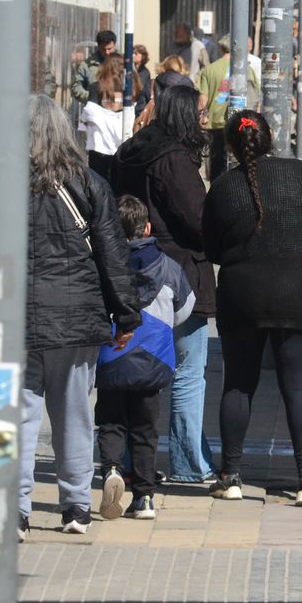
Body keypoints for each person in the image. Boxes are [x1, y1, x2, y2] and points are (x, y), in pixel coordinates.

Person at [204, 111, 302, 506]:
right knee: (298, 386)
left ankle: (230, 476)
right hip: (298, 291)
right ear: (272, 137)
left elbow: (211, 247)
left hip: (240, 295)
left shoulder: (222, 187)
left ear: (230, 147)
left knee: (238, 384)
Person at [22, 94, 140, 539]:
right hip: (76, 319)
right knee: (73, 414)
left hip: (15, 319)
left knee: (20, 417)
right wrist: (126, 315)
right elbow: (113, 255)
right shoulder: (89, 184)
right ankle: (75, 505)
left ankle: (17, 510)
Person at [110, 85, 216, 485]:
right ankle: (190, 463)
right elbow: (198, 217)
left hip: (130, 268)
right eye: (201, 113)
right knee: (189, 370)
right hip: (179, 272)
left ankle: (119, 460)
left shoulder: (132, 150)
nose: (205, 120)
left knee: (131, 370)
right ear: (185, 116)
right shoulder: (173, 160)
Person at [96, 196, 195, 521]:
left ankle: (112, 468)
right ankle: (144, 498)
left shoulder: (104, 261)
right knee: (145, 430)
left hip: (113, 355)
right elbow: (185, 308)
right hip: (154, 362)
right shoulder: (168, 266)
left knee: (111, 421)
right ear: (148, 227)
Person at [197, 45, 263, 180]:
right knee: (238, 159)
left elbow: (203, 100)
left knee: (216, 163)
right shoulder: (246, 70)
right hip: (240, 122)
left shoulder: (209, 69)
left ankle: (217, 191)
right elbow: (256, 96)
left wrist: (202, 118)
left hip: (215, 123)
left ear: (221, 49)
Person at [79, 54, 129, 178]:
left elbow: (90, 113)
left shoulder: (96, 87)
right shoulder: (128, 89)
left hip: (99, 146)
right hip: (123, 145)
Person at [72, 30, 117, 105]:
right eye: (103, 49)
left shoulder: (123, 62)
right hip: (96, 108)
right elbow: (76, 87)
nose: (106, 52)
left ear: (114, 45)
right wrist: (91, 97)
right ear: (98, 46)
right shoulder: (87, 65)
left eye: (109, 49)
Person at [133, 43, 154, 108]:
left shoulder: (144, 72)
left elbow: (140, 87)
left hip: (140, 102)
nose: (133, 55)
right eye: (133, 53)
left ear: (143, 56)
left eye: (136, 54)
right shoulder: (131, 68)